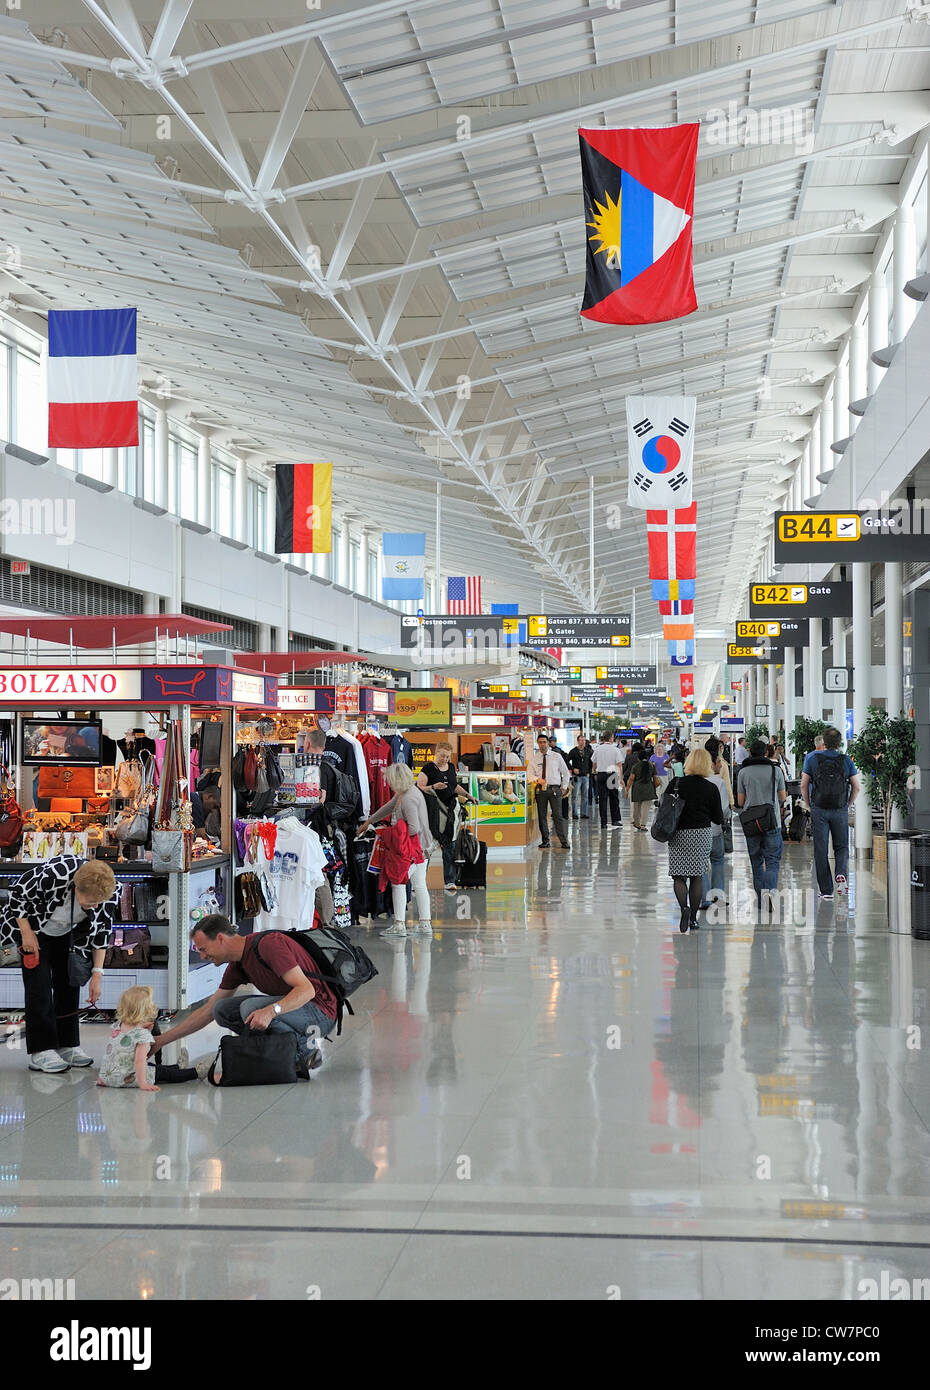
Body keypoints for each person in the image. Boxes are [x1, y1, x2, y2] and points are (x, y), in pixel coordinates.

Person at [152, 915, 338, 1077]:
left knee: (251, 1008)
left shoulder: (269, 945)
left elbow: (307, 990)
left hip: (321, 1013)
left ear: (220, 938)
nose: (202, 956)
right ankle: (275, 1055)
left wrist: (271, 1011)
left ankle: (306, 1054)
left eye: (203, 949)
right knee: (221, 1010)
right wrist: (161, 1041)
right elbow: (208, 1011)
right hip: (298, 1011)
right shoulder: (238, 965)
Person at [0, 856, 119, 1073]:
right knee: (39, 988)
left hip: (69, 934)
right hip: (33, 929)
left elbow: (102, 933)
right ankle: (41, 1050)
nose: (95, 906)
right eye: (90, 902)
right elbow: (16, 894)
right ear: (76, 888)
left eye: (98, 903)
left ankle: (68, 1045)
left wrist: (97, 976)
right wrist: (26, 934)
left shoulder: (110, 890)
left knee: (69, 984)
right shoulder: (56, 873)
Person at [359, 762, 432, 937]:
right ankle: (425, 924)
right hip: (422, 849)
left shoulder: (407, 799)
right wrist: (369, 822)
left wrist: (391, 832)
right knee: (420, 884)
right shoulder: (408, 792)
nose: (388, 783)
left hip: (410, 850)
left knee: (398, 883)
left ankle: (399, 925)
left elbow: (413, 828)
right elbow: (389, 807)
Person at [97, 985, 200, 1090]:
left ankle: (178, 1067)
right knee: (162, 1072)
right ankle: (196, 1072)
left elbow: (128, 1043)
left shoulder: (118, 1026)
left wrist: (143, 1028)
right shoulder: (143, 1035)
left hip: (107, 1077)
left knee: (151, 1066)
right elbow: (139, 1061)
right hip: (127, 1079)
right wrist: (143, 1084)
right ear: (147, 1009)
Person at [666, 748, 722, 932]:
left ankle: (684, 907)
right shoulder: (711, 788)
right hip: (701, 834)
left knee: (678, 876)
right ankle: (693, 919)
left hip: (678, 833)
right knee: (697, 876)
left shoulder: (676, 783)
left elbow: (664, 807)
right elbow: (718, 818)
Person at [800, 727, 860, 900]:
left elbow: (804, 785)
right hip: (839, 809)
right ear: (839, 743)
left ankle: (826, 891)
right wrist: (848, 804)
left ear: (823, 743)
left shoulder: (812, 758)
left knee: (821, 849)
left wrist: (809, 804)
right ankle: (841, 874)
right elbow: (857, 786)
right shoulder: (846, 760)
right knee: (841, 846)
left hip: (819, 808)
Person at [737, 739, 788, 909]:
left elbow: (740, 800)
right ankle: (771, 893)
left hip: (752, 822)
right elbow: (782, 797)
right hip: (772, 821)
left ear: (750, 752)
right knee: (772, 861)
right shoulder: (776, 771)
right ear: (766, 752)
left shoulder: (743, 772)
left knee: (756, 861)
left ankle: (761, 899)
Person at [417, 740, 474, 891]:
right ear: (436, 753)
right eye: (442, 756)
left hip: (450, 811)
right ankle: (419, 881)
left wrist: (468, 795)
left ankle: (450, 881)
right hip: (434, 812)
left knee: (450, 846)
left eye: (447, 757)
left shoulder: (450, 767)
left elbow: (454, 785)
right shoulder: (428, 768)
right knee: (428, 847)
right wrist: (433, 787)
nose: (445, 759)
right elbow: (419, 788)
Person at [700, 738, 732, 906]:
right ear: (712, 764)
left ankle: (704, 899)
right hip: (715, 830)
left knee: (702, 863)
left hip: (698, 830)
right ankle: (718, 896)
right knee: (718, 861)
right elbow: (725, 809)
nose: (721, 763)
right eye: (719, 761)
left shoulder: (695, 780)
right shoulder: (718, 782)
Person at [526, 733, 570, 849]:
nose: (542, 744)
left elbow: (565, 772)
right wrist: (537, 779)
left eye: (544, 742)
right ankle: (545, 840)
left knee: (557, 815)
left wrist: (564, 787)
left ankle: (564, 841)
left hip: (555, 789)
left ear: (548, 743)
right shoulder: (534, 759)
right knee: (542, 816)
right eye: (540, 742)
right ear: (537, 743)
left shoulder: (556, 756)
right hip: (541, 790)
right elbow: (529, 774)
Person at [591, 732, 623, 830]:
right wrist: (621, 778)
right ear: (610, 739)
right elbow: (619, 765)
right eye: (612, 737)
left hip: (601, 775)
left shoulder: (597, 749)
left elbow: (594, 763)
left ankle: (603, 822)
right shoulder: (615, 750)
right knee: (614, 798)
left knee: (602, 799)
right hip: (612, 775)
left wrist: (595, 773)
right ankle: (615, 820)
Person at [626, 749, 661, 830]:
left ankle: (637, 823)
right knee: (645, 808)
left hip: (637, 788)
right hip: (648, 788)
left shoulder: (635, 766)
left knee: (636, 807)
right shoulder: (651, 766)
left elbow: (631, 779)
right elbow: (655, 778)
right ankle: (643, 825)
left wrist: (627, 789)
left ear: (638, 758)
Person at [566, 732, 592, 820]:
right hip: (576, 777)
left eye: (584, 740)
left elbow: (591, 762)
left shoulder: (588, 751)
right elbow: (566, 761)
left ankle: (584, 813)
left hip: (585, 776)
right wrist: (573, 769)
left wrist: (589, 772)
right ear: (577, 741)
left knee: (585, 795)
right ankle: (575, 813)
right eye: (581, 740)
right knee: (575, 796)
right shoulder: (573, 751)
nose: (583, 742)